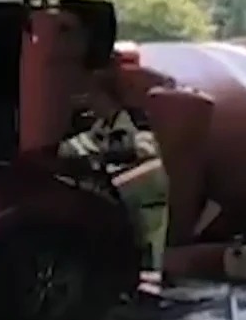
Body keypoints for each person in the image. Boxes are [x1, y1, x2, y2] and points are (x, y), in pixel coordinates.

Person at [60, 69, 169, 284]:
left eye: (92, 96)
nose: (89, 103)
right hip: (126, 201)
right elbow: (70, 148)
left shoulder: (136, 120)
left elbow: (148, 148)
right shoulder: (101, 128)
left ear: (104, 96)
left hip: (148, 200)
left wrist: (109, 152)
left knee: (150, 255)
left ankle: (150, 300)